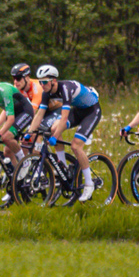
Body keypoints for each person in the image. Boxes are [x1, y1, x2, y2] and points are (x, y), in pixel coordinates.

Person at [37, 64, 102, 198]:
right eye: (40, 82)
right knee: (54, 127)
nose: (42, 85)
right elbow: (39, 115)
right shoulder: (46, 93)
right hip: (78, 111)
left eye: (44, 82)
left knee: (75, 146)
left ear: (53, 80)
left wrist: (54, 137)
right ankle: (63, 167)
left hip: (91, 111)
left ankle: (89, 184)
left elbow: (64, 117)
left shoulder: (65, 88)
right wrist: (31, 132)